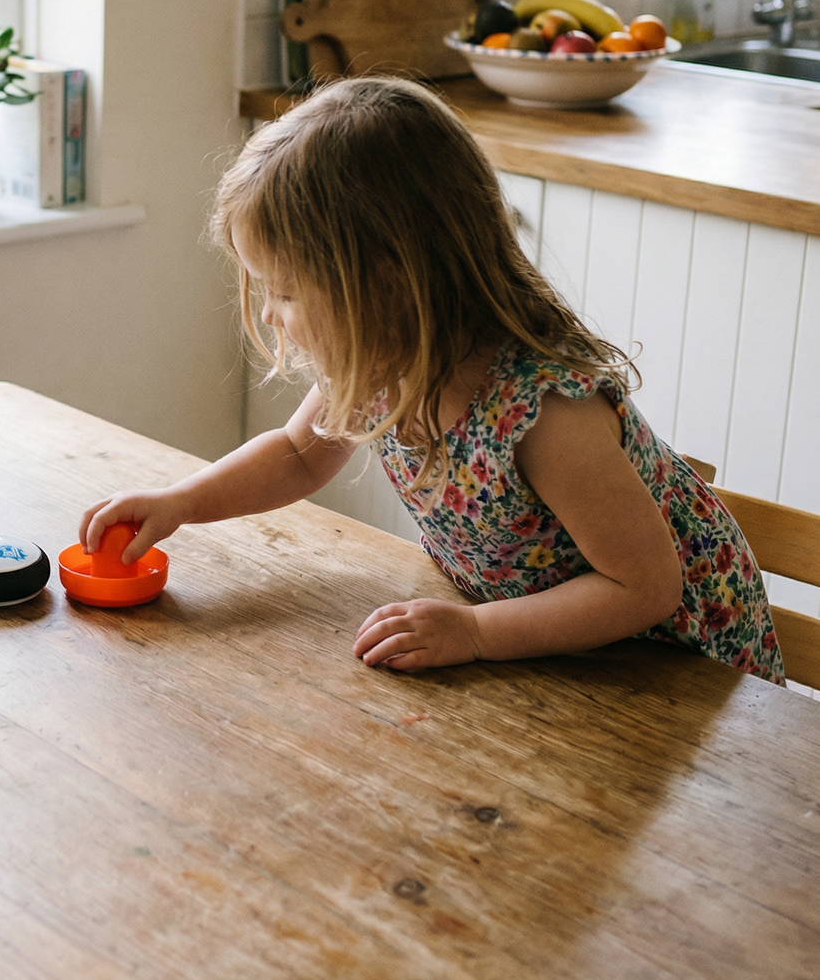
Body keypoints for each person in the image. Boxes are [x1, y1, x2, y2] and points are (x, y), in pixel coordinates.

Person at [81, 77, 785, 684]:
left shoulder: (542, 411)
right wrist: (180, 502)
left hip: (675, 671)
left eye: (287, 290)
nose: (269, 313)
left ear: (386, 286)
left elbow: (643, 587)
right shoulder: (382, 361)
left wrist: (475, 635)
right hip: (547, 651)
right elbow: (298, 455)